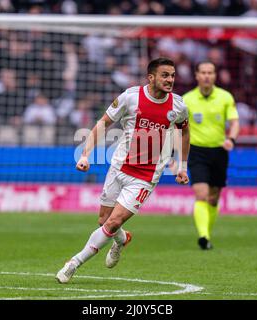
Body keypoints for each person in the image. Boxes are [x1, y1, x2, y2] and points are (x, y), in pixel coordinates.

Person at [56, 57, 190, 284]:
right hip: (119, 167)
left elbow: (185, 133)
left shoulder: (178, 106)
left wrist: (183, 166)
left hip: (146, 177)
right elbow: (104, 123)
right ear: (151, 77)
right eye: (165, 75)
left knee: (112, 222)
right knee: (103, 221)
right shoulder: (131, 97)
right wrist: (85, 154)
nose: (170, 80)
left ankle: (73, 263)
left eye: (173, 76)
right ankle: (121, 240)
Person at [183, 61, 239, 250]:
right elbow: (178, 126)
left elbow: (235, 122)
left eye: (210, 72)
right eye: (203, 72)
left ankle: (207, 234)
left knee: (214, 198)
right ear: (197, 75)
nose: (207, 76)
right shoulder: (187, 100)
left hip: (219, 151)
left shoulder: (225, 97)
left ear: (215, 76)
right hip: (197, 151)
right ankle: (203, 236)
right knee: (201, 194)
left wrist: (231, 139)